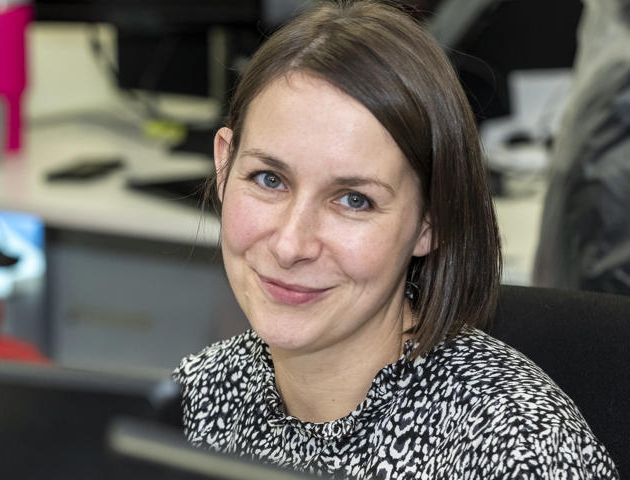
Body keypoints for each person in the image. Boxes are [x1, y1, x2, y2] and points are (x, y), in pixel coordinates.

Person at [171, 1, 619, 478]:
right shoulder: (195, 397)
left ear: (432, 220)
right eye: (268, 179)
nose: (290, 244)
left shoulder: (515, 451)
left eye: (354, 200)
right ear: (224, 165)